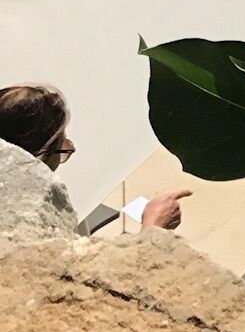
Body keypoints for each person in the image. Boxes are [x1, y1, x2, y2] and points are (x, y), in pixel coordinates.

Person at [0, 84, 191, 230]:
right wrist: (153, 228)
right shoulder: (29, 220)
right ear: (38, 157)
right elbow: (56, 279)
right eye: (62, 150)